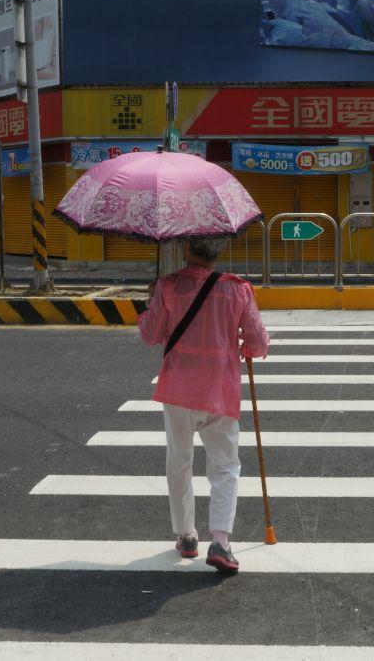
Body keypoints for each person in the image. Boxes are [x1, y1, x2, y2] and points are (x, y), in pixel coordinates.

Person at [138, 236, 270, 574]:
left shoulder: (168, 287)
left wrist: (151, 300)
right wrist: (246, 347)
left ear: (185, 250)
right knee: (225, 466)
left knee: (179, 462)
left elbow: (151, 335)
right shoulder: (237, 289)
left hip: (179, 391)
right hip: (220, 391)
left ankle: (186, 536)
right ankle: (221, 541)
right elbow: (258, 342)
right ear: (219, 252)